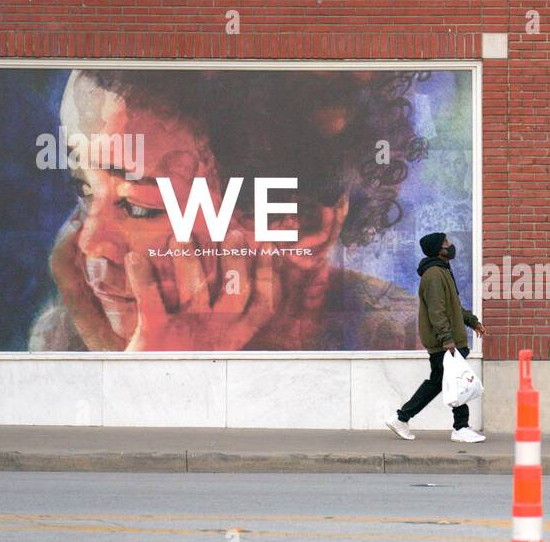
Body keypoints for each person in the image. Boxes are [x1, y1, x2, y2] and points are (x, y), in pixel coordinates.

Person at [30, 68, 422, 352]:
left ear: (299, 225)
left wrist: (166, 377)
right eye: (84, 189)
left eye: (140, 207)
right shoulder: (68, 334)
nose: (90, 243)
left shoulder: (403, 343)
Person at [386, 232, 487, 443]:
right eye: (446, 242)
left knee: (440, 382)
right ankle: (460, 427)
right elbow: (436, 310)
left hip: (449, 340)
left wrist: (472, 322)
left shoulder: (442, 271)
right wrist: (447, 339)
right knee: (455, 382)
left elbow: (454, 307)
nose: (450, 245)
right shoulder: (433, 274)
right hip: (446, 343)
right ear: (438, 249)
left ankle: (402, 418)